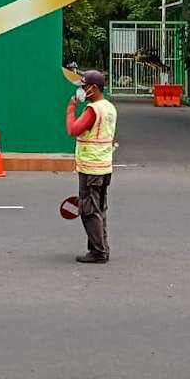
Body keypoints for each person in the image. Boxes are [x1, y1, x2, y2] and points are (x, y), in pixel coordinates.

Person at [66, 69, 117, 264]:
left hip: (91, 168)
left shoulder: (93, 110)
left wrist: (71, 109)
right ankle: (102, 247)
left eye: (84, 87)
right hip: (104, 167)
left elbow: (73, 129)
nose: (82, 90)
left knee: (89, 210)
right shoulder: (109, 108)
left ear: (93, 88)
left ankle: (98, 252)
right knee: (100, 209)